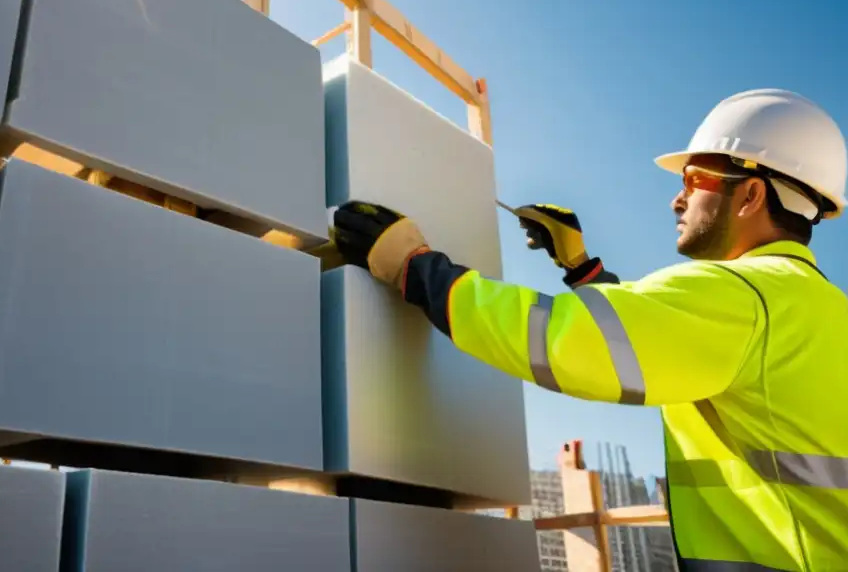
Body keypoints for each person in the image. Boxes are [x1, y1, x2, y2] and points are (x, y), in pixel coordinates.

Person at [332, 89, 848, 571]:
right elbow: (657, 339)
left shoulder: (744, 297)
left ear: (752, 194)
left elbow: (566, 342)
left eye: (693, 180)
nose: (676, 200)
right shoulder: (811, 306)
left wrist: (416, 266)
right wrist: (580, 267)